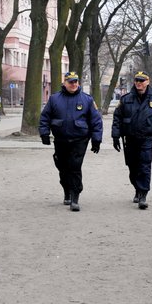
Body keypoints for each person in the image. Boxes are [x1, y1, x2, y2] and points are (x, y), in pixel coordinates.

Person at [39, 71, 103, 211]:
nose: (73, 84)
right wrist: (44, 133)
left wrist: (96, 139)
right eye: (70, 82)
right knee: (62, 167)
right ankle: (67, 191)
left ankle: (75, 196)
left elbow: (96, 121)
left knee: (74, 167)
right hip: (61, 139)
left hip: (79, 140)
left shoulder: (87, 100)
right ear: (65, 83)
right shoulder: (54, 99)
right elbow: (45, 117)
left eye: (75, 82)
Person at [112, 71, 152, 209]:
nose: (139, 82)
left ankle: (143, 194)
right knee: (132, 167)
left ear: (148, 82)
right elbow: (117, 118)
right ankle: (137, 188)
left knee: (144, 166)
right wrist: (115, 136)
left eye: (142, 80)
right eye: (137, 80)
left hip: (146, 139)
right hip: (130, 139)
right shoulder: (125, 99)